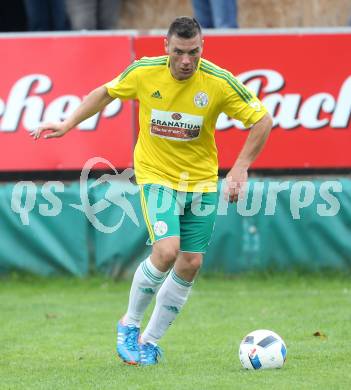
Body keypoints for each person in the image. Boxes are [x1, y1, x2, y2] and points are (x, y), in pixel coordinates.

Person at [32, 16, 272, 366]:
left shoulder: (218, 81)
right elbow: (105, 93)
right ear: (166, 47)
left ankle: (150, 341)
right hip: (156, 175)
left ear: (202, 47)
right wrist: (67, 124)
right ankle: (128, 325)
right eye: (179, 52)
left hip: (201, 182)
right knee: (167, 250)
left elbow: (262, 119)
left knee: (191, 262)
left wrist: (240, 167)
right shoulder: (144, 72)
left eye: (194, 52)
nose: (187, 60)